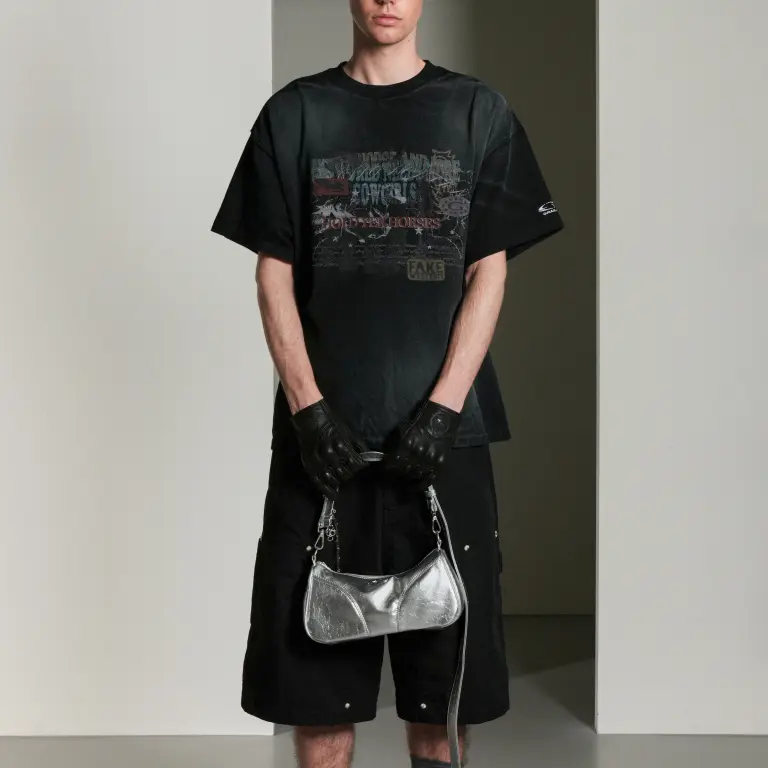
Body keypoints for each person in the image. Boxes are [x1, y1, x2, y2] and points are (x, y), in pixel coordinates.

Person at [210, 1, 564, 765]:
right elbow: (272, 273)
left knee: (442, 694)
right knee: (315, 695)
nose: (386, 0)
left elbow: (487, 272)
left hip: (446, 442)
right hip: (321, 448)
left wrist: (443, 409)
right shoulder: (296, 113)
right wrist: (308, 410)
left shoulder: (477, 111)